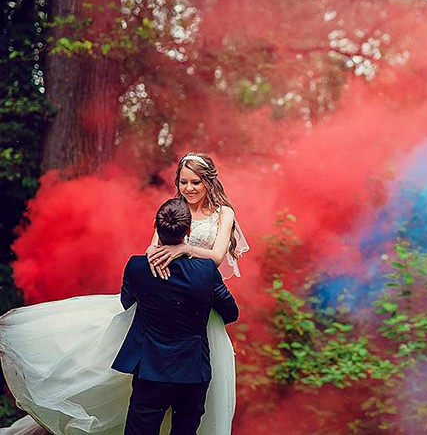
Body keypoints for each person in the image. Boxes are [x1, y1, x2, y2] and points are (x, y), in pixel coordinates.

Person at [0, 153, 248, 435]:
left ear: (208, 182)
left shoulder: (223, 213)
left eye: (196, 182)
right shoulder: (173, 209)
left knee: (196, 388)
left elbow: (216, 256)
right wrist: (163, 270)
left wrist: (185, 249)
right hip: (171, 295)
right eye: (183, 182)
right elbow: (152, 250)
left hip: (198, 303)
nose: (189, 189)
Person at [114, 197, 238, 435]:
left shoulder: (137, 267)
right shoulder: (206, 271)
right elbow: (231, 313)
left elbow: (126, 303)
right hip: (192, 370)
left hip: (150, 367)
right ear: (189, 231)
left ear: (155, 227)